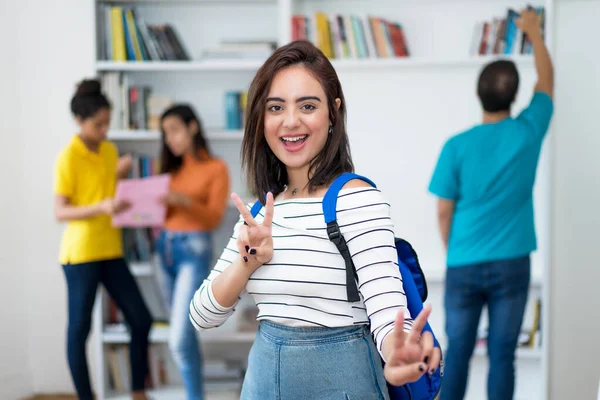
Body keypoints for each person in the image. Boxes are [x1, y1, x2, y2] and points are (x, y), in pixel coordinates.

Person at [189, 40, 441, 399]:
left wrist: (398, 350)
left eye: (307, 105)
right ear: (262, 118)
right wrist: (246, 262)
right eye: (276, 107)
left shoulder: (357, 199)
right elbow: (202, 316)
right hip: (261, 387)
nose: (291, 121)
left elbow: (387, 308)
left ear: (333, 112)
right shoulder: (260, 213)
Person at [428, 10, 554, 400]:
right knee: (503, 356)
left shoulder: (457, 145)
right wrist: (533, 33)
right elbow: (547, 80)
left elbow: (443, 210)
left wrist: (454, 249)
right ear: (515, 97)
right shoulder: (528, 130)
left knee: (458, 354)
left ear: (478, 93)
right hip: (511, 263)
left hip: (463, 262)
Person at [54, 79, 153, 400]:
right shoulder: (69, 157)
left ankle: (138, 391)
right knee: (80, 330)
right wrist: (102, 206)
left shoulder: (109, 151)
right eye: (99, 124)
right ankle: (86, 396)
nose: (105, 129)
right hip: (80, 254)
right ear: (80, 121)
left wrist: (120, 181)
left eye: (107, 123)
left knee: (141, 318)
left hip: (110, 250)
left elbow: (106, 193)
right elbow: (60, 211)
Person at [155, 104, 230, 400]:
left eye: (174, 129)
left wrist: (181, 200)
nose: (170, 138)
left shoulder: (216, 168)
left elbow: (213, 219)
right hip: (163, 249)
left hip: (193, 250)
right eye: (165, 134)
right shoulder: (169, 169)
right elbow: (160, 216)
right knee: (184, 339)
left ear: (192, 127)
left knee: (178, 340)